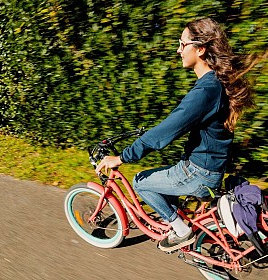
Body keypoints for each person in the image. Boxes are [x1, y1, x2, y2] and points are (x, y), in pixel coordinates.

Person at [95, 17, 254, 252]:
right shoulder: (215, 83)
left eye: (182, 44)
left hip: (200, 172)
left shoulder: (206, 91)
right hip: (209, 166)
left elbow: (166, 131)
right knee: (166, 177)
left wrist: (122, 157)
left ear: (200, 49)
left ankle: (181, 231)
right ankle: (180, 221)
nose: (178, 50)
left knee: (141, 182)